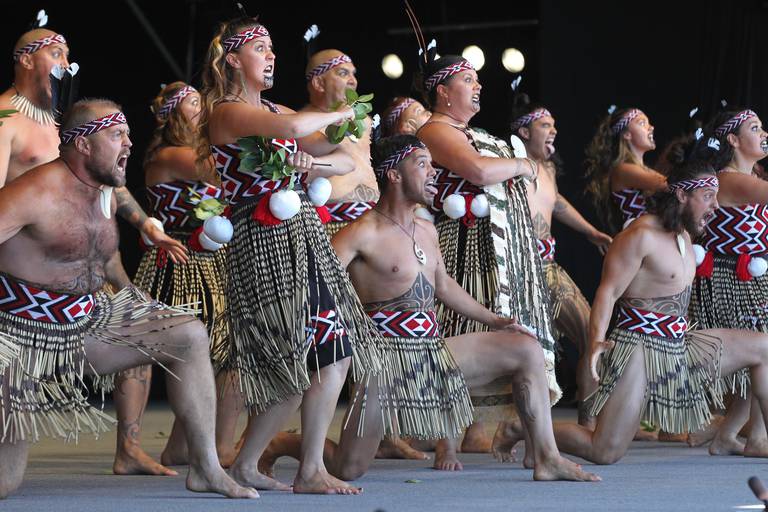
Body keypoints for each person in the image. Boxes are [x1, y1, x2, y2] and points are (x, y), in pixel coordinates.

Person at [259, 134, 600, 481]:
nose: (433, 172)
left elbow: (443, 286)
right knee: (349, 467)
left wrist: (496, 320)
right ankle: (282, 443)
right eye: (422, 164)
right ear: (393, 174)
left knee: (527, 349)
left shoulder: (426, 230)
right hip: (386, 362)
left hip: (434, 352)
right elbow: (316, 284)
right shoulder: (361, 232)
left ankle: (546, 458)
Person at [0, 98, 257, 499]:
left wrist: (134, 296)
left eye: (129, 134)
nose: (129, 143)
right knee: (5, 482)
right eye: (117, 134)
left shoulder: (100, 191)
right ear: (83, 144)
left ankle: (205, 467)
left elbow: (101, 256)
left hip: (86, 324)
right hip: (22, 337)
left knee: (188, 334)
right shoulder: (32, 192)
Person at [198, 17, 383, 494]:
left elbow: (344, 157)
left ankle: (311, 469)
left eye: (273, 47)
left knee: (334, 353)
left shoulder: (275, 110)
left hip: (304, 238)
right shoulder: (227, 112)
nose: (272, 55)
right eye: (261, 47)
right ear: (233, 59)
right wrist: (335, 113)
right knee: (293, 359)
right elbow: (299, 124)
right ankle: (244, 463)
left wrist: (313, 160)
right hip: (262, 242)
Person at [553, 144, 768, 466]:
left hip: (681, 346)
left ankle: (757, 436)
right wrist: (597, 342)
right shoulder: (640, 235)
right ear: (682, 196)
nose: (715, 206)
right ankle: (526, 428)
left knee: (764, 347)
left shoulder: (685, 235)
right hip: (639, 347)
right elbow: (607, 293)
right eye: (708, 197)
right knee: (604, 451)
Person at [415, 51, 559, 465]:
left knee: (520, 336)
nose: (479, 87)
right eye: (469, 81)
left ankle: (537, 447)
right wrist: (521, 164)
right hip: (460, 243)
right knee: (454, 328)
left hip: (496, 251)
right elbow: (478, 171)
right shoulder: (436, 129)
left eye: (479, 81)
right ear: (443, 92)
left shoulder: (467, 130)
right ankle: (446, 439)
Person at [511, 98, 612, 426]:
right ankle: (517, 426)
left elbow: (556, 203)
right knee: (526, 348)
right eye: (545, 125)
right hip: (520, 269)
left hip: (548, 266)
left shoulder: (548, 168)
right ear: (524, 131)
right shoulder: (509, 162)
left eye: (554, 125)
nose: (554, 131)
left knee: (589, 333)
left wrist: (591, 232)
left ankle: (589, 423)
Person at [688, 108, 768, 456]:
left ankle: (728, 435)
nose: (764, 132)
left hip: (752, 277)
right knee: (761, 351)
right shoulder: (731, 178)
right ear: (733, 140)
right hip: (729, 280)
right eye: (755, 128)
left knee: (758, 357)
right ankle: (757, 438)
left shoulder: (750, 177)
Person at [303, 49, 378, 236]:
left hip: (378, 223)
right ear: (319, 83)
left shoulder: (367, 122)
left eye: (353, 74)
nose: (353, 80)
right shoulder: (302, 123)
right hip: (331, 226)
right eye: (343, 73)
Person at [584, 108, 667, 233]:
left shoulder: (639, 170)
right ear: (627, 134)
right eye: (642, 123)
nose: (651, 127)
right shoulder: (623, 169)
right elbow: (669, 184)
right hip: (637, 243)